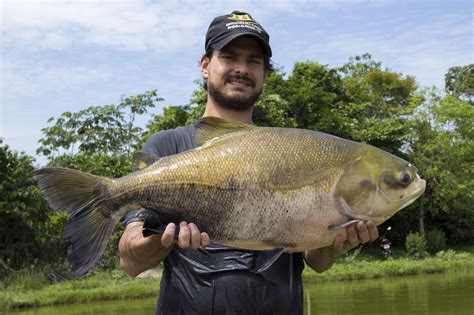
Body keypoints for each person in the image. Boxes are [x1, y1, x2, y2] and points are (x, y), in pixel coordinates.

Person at [119, 10, 379, 314]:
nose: (242, 68)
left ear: (265, 75)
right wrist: (164, 241)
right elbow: (130, 261)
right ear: (205, 65)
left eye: (254, 61)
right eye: (229, 57)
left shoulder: (288, 150)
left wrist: (338, 239)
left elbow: (317, 262)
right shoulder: (167, 146)